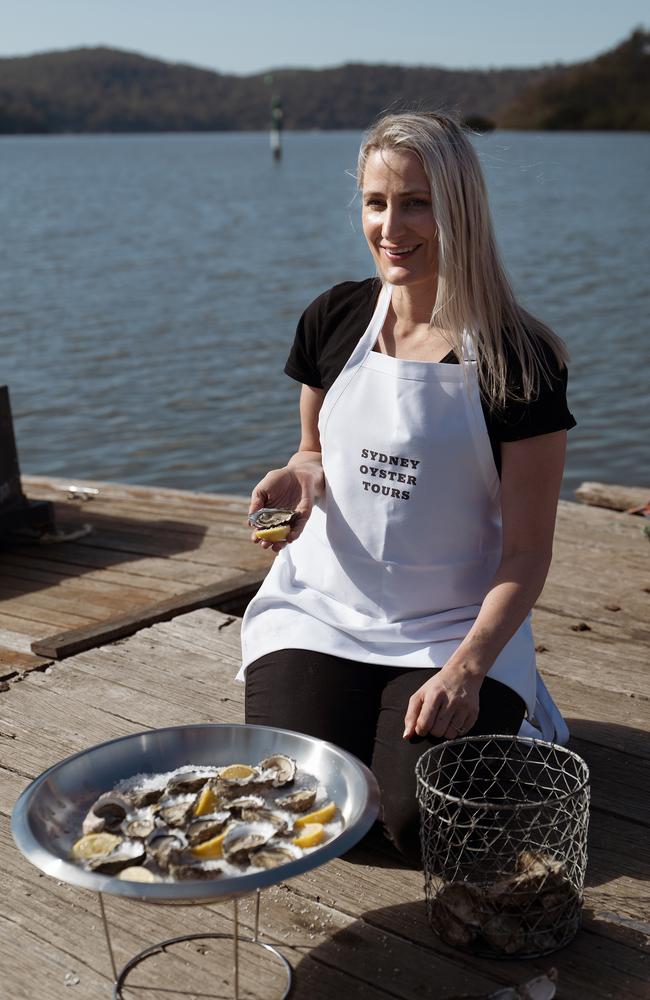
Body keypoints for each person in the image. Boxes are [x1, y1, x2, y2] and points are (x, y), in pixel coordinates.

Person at [237, 111, 576, 865]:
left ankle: (519, 709)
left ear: (461, 208)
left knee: (417, 829)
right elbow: (310, 450)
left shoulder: (520, 361)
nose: (392, 225)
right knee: (296, 803)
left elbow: (526, 553)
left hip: (451, 625)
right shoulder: (336, 316)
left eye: (417, 202)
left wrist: (465, 670)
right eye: (377, 201)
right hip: (325, 608)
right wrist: (295, 479)